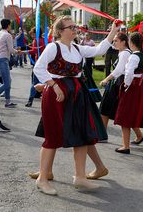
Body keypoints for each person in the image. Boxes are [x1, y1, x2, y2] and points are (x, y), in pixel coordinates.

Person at [32, 16, 119, 195]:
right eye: (70, 27)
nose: (74, 29)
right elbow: (38, 68)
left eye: (74, 26)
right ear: (60, 31)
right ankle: (42, 178)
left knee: (81, 134)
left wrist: (113, 30)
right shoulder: (53, 47)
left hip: (76, 93)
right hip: (57, 94)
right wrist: (54, 86)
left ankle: (80, 177)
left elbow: (100, 50)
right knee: (54, 135)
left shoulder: (77, 48)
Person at [114, 32, 143, 155]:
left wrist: (126, 84)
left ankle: (125, 146)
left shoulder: (133, 57)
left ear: (131, 43)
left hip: (137, 85)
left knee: (125, 114)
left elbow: (128, 73)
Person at [0, 19, 20, 107]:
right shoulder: (7, 35)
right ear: (8, 25)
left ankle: (7, 101)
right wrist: (17, 51)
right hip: (3, 59)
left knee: (8, 81)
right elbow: (11, 50)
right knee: (7, 82)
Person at [25, 27, 45, 107]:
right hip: (45, 64)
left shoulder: (36, 40)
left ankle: (30, 100)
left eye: (33, 34)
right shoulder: (44, 40)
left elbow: (33, 51)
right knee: (45, 82)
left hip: (38, 64)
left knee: (34, 83)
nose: (32, 36)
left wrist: (23, 52)